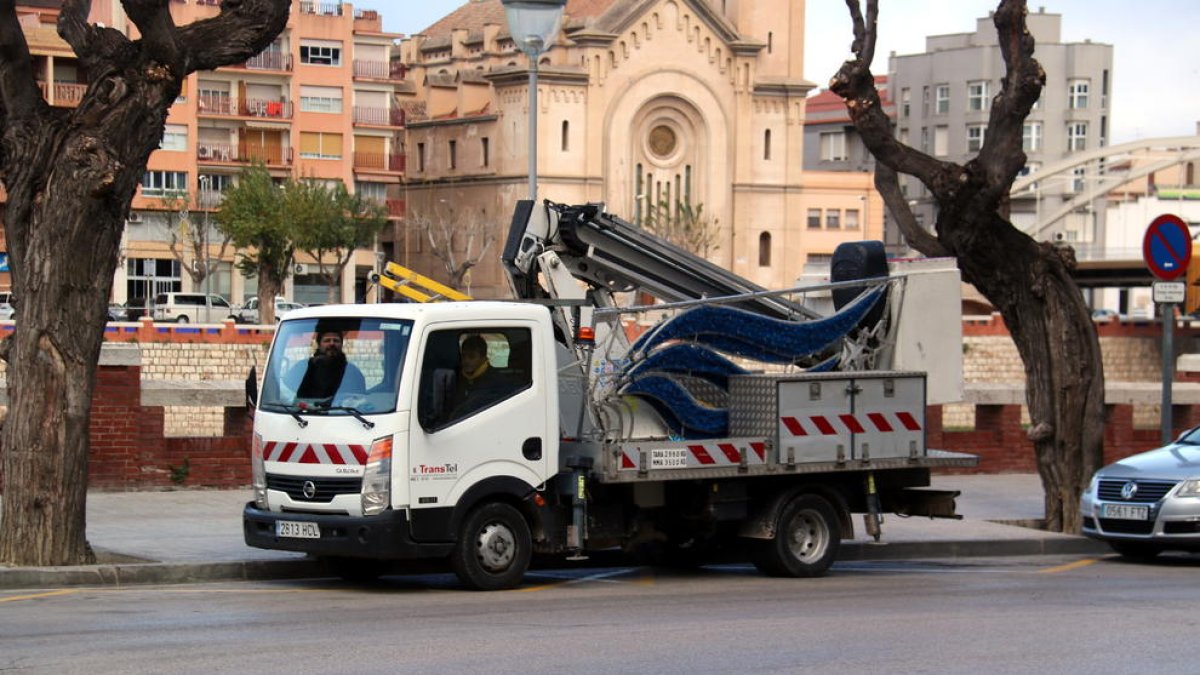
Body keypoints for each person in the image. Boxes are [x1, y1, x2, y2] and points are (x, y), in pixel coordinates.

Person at [445, 334, 509, 420]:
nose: (466, 361)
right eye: (464, 356)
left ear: (483, 358)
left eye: (472, 356)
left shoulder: (497, 382)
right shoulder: (456, 377)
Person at [295, 329, 366, 402]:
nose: (332, 343)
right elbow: (288, 396)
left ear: (341, 345)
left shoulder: (353, 372)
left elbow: (359, 401)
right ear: (319, 344)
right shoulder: (302, 368)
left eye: (336, 340)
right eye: (327, 340)